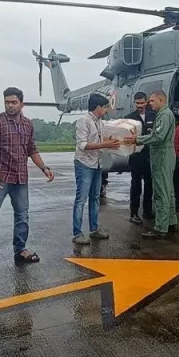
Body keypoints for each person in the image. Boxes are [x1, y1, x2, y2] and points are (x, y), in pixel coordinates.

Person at [0, 87, 55, 276]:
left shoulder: (28, 124)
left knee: (22, 216)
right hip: (0, 178)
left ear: (22, 104)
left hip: (21, 178)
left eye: (14, 102)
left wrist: (44, 168)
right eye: (7, 102)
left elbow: (32, 149)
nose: (10, 105)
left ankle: (20, 249)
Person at [123, 90, 177, 239]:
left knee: (161, 193)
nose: (149, 104)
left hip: (162, 156)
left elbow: (158, 137)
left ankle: (161, 228)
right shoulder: (164, 114)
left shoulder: (164, 115)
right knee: (168, 191)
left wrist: (137, 139)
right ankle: (171, 222)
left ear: (160, 100)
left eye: (151, 101)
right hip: (161, 156)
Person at [72, 93, 119, 244]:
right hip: (84, 163)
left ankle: (94, 229)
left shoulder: (100, 122)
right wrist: (105, 145)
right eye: (105, 107)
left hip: (97, 163)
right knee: (81, 199)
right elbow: (82, 145)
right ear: (98, 107)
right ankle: (77, 233)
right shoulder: (83, 121)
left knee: (95, 198)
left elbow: (101, 139)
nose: (106, 110)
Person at [125, 92, 155, 224]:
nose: (140, 105)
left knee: (150, 184)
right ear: (134, 103)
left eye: (142, 103)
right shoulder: (129, 118)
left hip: (150, 155)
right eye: (137, 103)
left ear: (147, 102)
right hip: (136, 156)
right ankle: (134, 213)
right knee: (136, 185)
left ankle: (147, 211)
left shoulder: (153, 116)